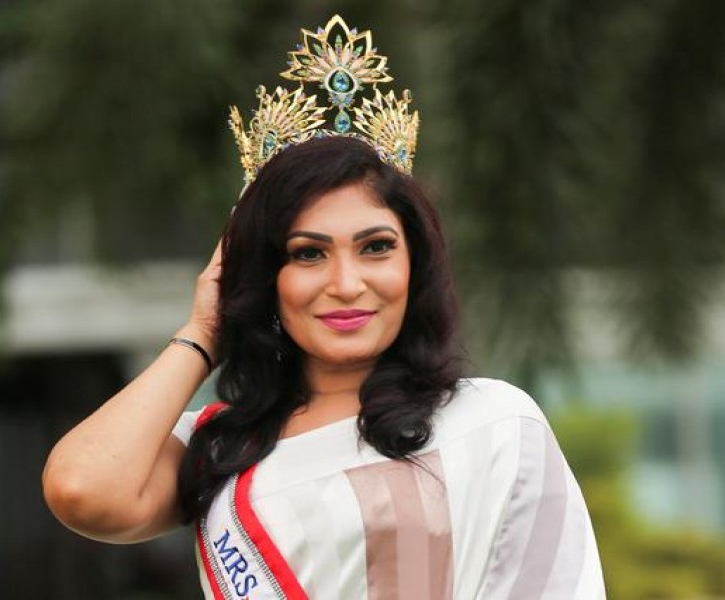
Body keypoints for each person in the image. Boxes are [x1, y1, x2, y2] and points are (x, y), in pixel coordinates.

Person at [42, 15, 605, 599]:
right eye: (308, 254)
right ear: (266, 275)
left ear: (416, 264)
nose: (346, 283)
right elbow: (82, 488)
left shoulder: (490, 422)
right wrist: (205, 331)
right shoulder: (224, 447)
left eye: (376, 247)